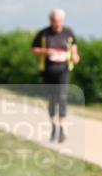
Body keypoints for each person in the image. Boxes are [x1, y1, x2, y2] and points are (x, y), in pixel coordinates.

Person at [31, 9, 79, 143]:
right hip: (48, 70)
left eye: (60, 21)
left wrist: (75, 55)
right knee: (52, 99)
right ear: (51, 21)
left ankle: (63, 127)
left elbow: (73, 46)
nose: (58, 24)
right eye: (55, 22)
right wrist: (46, 51)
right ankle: (53, 127)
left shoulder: (68, 32)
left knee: (62, 97)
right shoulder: (44, 33)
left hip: (64, 69)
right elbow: (33, 49)